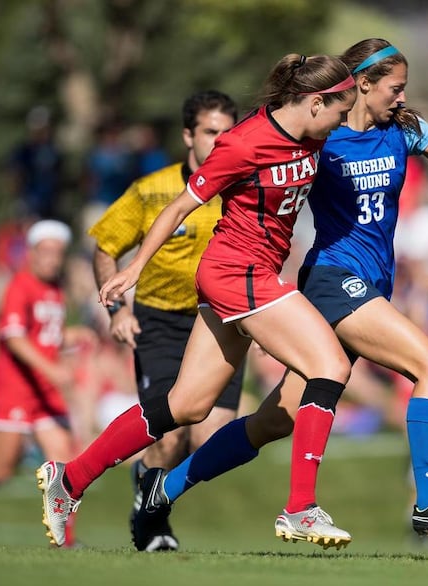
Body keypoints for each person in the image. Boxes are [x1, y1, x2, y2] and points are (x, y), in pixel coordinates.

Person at [133, 38, 428, 546]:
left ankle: (162, 490)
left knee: (272, 422)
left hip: (372, 285)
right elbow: (262, 164)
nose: (402, 97)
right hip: (332, 278)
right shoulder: (322, 137)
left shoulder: (406, 129)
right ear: (363, 84)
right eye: (395, 88)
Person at [35, 52, 358, 549]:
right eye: (340, 112)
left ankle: (71, 479)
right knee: (330, 366)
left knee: (186, 405)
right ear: (316, 103)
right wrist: (134, 269)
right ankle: (300, 509)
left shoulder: (313, 134)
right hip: (237, 273)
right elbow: (179, 207)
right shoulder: (245, 142)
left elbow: (363, 117)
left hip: (248, 276)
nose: (343, 122)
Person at [86, 90, 244, 551]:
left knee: (212, 439)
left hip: (222, 322)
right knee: (170, 433)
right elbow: (106, 247)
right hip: (161, 323)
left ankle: (146, 479)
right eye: (210, 132)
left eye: (227, 133)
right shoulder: (151, 190)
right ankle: (154, 524)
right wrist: (117, 309)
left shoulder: (243, 187)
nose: (219, 141)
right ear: (188, 136)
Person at [0, 220, 94, 547]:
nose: (52, 259)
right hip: (14, 390)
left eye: (58, 253)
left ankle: (64, 539)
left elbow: (45, 337)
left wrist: (73, 336)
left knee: (64, 462)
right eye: (46, 252)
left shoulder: (55, 290)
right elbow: (14, 338)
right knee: (1, 469)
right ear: (32, 253)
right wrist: (53, 370)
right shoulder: (21, 285)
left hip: (44, 393)